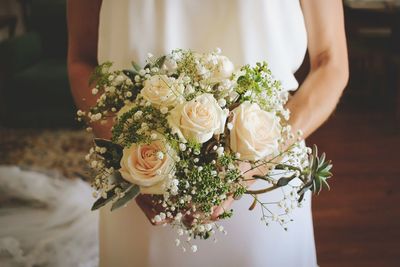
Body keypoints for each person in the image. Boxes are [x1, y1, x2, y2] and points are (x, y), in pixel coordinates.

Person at [67, 0, 348, 266]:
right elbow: (81, 60)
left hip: (263, 185)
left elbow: (330, 63)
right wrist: (132, 155)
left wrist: (255, 161)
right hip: (141, 179)